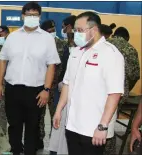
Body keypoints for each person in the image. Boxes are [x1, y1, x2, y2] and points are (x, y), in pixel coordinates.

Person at [53, 11, 124, 155]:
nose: (76, 34)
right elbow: (67, 83)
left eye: (80, 30)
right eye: (75, 30)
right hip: (72, 125)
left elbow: (115, 93)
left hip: (94, 129)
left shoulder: (110, 54)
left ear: (94, 30)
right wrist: (59, 110)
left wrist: (103, 126)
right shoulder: (76, 52)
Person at [0, 2, 61, 154]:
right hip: (13, 89)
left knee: (33, 127)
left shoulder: (47, 39)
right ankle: (16, 151)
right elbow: (2, 60)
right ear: (22, 16)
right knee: (14, 126)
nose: (32, 17)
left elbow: (52, 65)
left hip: (36, 91)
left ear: (39, 17)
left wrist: (46, 89)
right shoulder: (12, 37)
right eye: (28, 15)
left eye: (35, 15)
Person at [104, 27, 140, 155]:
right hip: (117, 95)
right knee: (109, 124)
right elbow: (135, 75)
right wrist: (126, 88)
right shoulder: (130, 49)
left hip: (98, 92)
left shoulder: (104, 44)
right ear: (126, 38)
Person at [48, 15, 77, 155]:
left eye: (63, 27)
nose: (62, 30)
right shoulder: (67, 45)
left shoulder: (80, 46)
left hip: (74, 92)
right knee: (57, 120)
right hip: (61, 88)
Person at [37, 19, 67, 150]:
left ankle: (54, 144)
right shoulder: (38, 44)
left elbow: (65, 66)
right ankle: (39, 140)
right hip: (41, 87)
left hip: (57, 88)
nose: (52, 33)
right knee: (39, 116)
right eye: (49, 31)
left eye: (53, 31)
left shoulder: (62, 44)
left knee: (56, 115)